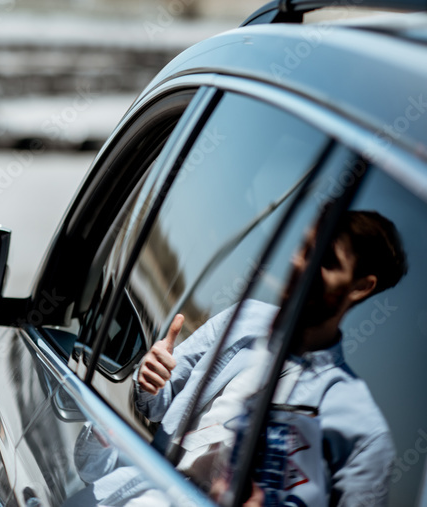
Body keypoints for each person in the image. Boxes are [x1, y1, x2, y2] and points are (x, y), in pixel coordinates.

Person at [134, 209, 408, 506]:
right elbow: (156, 404)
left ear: (361, 287)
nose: (300, 264)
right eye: (304, 248)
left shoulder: (363, 431)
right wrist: (150, 380)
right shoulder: (242, 319)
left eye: (326, 261)